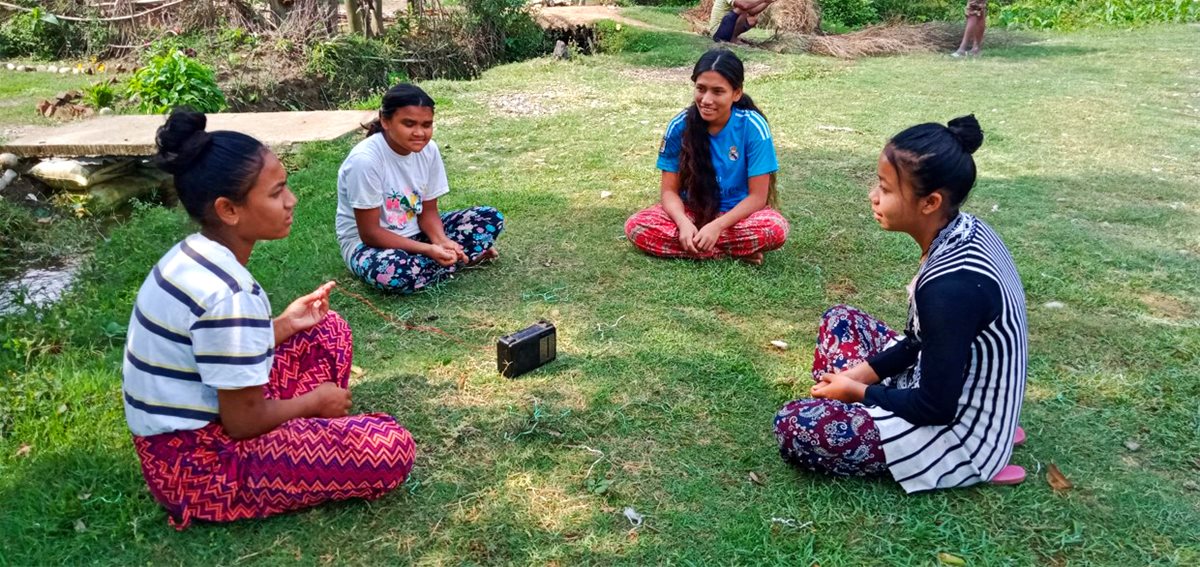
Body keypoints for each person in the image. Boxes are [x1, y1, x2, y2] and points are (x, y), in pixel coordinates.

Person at [124, 109, 416, 530]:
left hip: (182, 438)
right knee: (389, 448)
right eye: (277, 192)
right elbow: (242, 422)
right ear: (229, 209)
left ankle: (309, 431)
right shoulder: (229, 295)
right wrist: (313, 403)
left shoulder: (192, 256)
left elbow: (212, 351)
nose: (291, 200)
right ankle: (310, 434)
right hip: (200, 468)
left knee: (326, 330)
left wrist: (286, 323)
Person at [773, 115, 1029, 492]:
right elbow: (918, 339)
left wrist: (859, 392)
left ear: (930, 202)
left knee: (795, 425)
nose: (873, 197)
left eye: (886, 189)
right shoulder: (964, 229)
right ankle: (865, 405)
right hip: (944, 381)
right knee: (840, 320)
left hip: (958, 433)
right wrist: (860, 375)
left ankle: (873, 415)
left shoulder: (949, 287)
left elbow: (936, 408)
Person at [625, 48, 789, 265]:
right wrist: (683, 223)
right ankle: (734, 252)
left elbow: (757, 198)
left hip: (737, 217)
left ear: (736, 93)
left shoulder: (753, 126)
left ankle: (697, 245)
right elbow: (669, 191)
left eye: (718, 91)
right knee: (637, 226)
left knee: (775, 228)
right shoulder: (679, 126)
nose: (706, 100)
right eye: (701, 89)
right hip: (692, 213)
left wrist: (717, 226)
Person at [336, 83, 504, 294]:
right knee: (394, 272)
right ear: (385, 120)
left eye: (427, 125)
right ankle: (458, 261)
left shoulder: (429, 150)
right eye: (409, 124)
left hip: (417, 232)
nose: (419, 133)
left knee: (489, 218)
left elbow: (428, 211)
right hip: (370, 247)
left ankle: (441, 262)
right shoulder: (365, 161)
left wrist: (442, 242)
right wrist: (428, 249)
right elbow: (370, 233)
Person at [708, 0, 777, 44]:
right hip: (717, 32)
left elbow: (752, 12)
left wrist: (768, 2)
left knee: (752, 20)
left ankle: (732, 36)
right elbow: (744, 6)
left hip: (727, 27)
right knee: (741, 9)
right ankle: (732, 39)